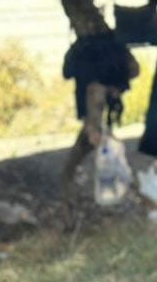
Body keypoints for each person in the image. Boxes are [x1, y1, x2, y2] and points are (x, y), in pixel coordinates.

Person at [60, 31, 140, 195]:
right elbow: (133, 70)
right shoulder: (109, 46)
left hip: (95, 89)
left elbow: (67, 72)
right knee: (94, 134)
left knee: (93, 133)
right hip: (95, 90)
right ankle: (127, 182)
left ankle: (70, 175)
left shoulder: (90, 46)